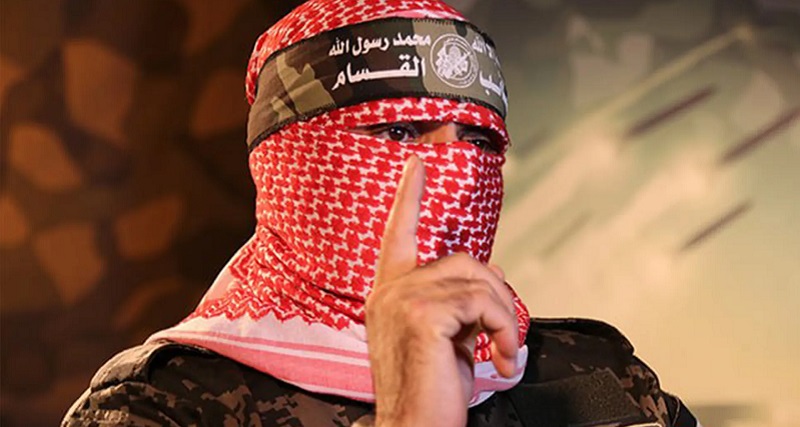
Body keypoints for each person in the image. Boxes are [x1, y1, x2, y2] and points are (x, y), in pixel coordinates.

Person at [62, 1, 701, 426]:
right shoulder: (163, 408)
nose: (454, 169)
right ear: (293, 163)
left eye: (479, 141)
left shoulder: (600, 377)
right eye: (398, 133)